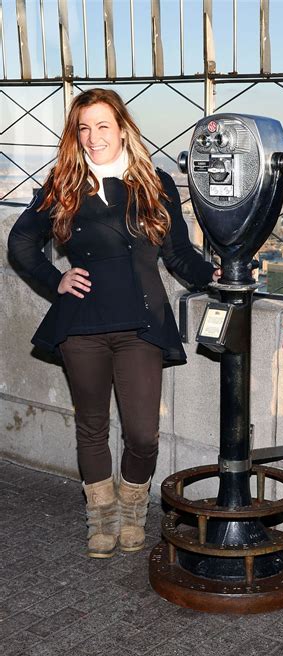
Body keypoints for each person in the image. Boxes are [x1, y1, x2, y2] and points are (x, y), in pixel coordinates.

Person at [8, 88, 221, 559]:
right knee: (92, 427)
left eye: (102, 126)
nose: (92, 137)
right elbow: (21, 242)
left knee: (143, 434)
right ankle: (100, 519)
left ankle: (133, 509)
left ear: (122, 128)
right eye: (83, 128)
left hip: (141, 324)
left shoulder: (156, 183)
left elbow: (179, 254)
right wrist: (55, 279)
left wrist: (217, 274)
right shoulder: (64, 183)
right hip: (82, 325)